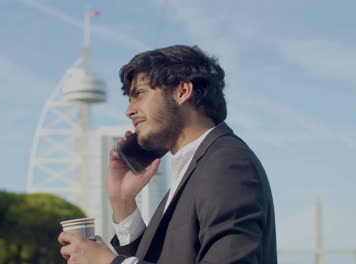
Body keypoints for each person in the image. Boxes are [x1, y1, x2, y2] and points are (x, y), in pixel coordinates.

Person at [58, 45, 277, 264]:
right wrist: (123, 202)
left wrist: (109, 262)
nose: (129, 111)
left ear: (182, 91)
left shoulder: (227, 163)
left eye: (139, 94)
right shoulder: (195, 167)